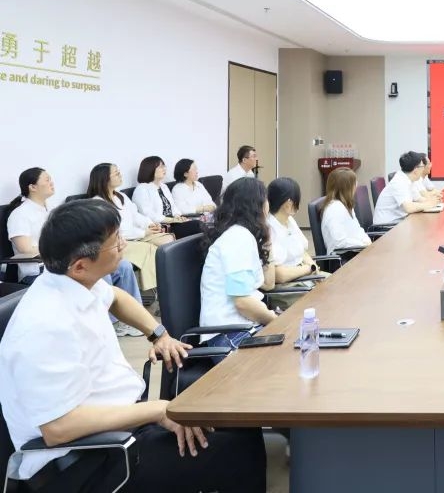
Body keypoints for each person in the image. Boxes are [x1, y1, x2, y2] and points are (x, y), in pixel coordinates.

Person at [0, 199, 267, 492]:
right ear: (80, 265)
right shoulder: (44, 326)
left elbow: (116, 297)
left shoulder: (77, 282)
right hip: (85, 460)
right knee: (236, 451)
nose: (124, 245)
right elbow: (59, 429)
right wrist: (158, 411)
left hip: (119, 427)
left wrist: (159, 334)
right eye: (116, 242)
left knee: (238, 422)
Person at [8, 167, 146, 336]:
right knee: (98, 272)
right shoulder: (19, 215)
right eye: (47, 180)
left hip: (65, 262)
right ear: (32, 187)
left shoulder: (52, 210)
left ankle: (132, 319)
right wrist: (66, 250)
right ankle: (108, 323)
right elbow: (25, 249)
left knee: (123, 266)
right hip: (39, 270)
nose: (52, 183)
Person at [200, 177, 276, 349]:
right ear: (256, 205)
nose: (268, 205)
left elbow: (269, 283)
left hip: (244, 327)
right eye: (265, 200)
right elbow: (242, 302)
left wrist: (267, 240)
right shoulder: (238, 238)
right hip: (229, 334)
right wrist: (276, 319)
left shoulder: (243, 235)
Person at [86, 163, 173, 292]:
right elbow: (116, 232)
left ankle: (169, 281)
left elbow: (136, 215)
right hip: (120, 242)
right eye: (116, 173)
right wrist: (144, 232)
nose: (120, 175)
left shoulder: (120, 195)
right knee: (152, 250)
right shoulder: (98, 203)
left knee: (168, 240)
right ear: (104, 178)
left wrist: (149, 224)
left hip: (136, 235)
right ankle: (157, 289)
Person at [265, 177, 320, 285]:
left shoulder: (289, 220)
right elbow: (279, 275)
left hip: (302, 274)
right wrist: (309, 269)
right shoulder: (269, 229)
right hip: (288, 284)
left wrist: (314, 268)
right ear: (288, 204)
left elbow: (302, 252)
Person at [372, 151, 441, 225]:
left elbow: (418, 199)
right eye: (422, 167)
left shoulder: (410, 180)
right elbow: (408, 207)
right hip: (386, 225)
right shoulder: (399, 182)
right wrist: (428, 204)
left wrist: (434, 202)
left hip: (398, 221)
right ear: (415, 170)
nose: (423, 169)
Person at [321, 168, 372, 253]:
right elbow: (340, 242)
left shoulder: (346, 205)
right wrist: (362, 245)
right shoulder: (334, 210)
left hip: (355, 250)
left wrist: (366, 240)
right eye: (354, 183)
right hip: (343, 256)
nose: (356, 186)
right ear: (346, 188)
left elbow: (357, 229)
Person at [132, 156, 183, 225]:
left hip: (173, 222)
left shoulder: (164, 186)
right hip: (160, 225)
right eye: (161, 167)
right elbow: (147, 213)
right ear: (150, 169)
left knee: (194, 223)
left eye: (164, 166)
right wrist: (171, 220)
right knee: (195, 225)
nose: (164, 169)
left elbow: (173, 206)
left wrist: (177, 216)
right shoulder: (142, 189)